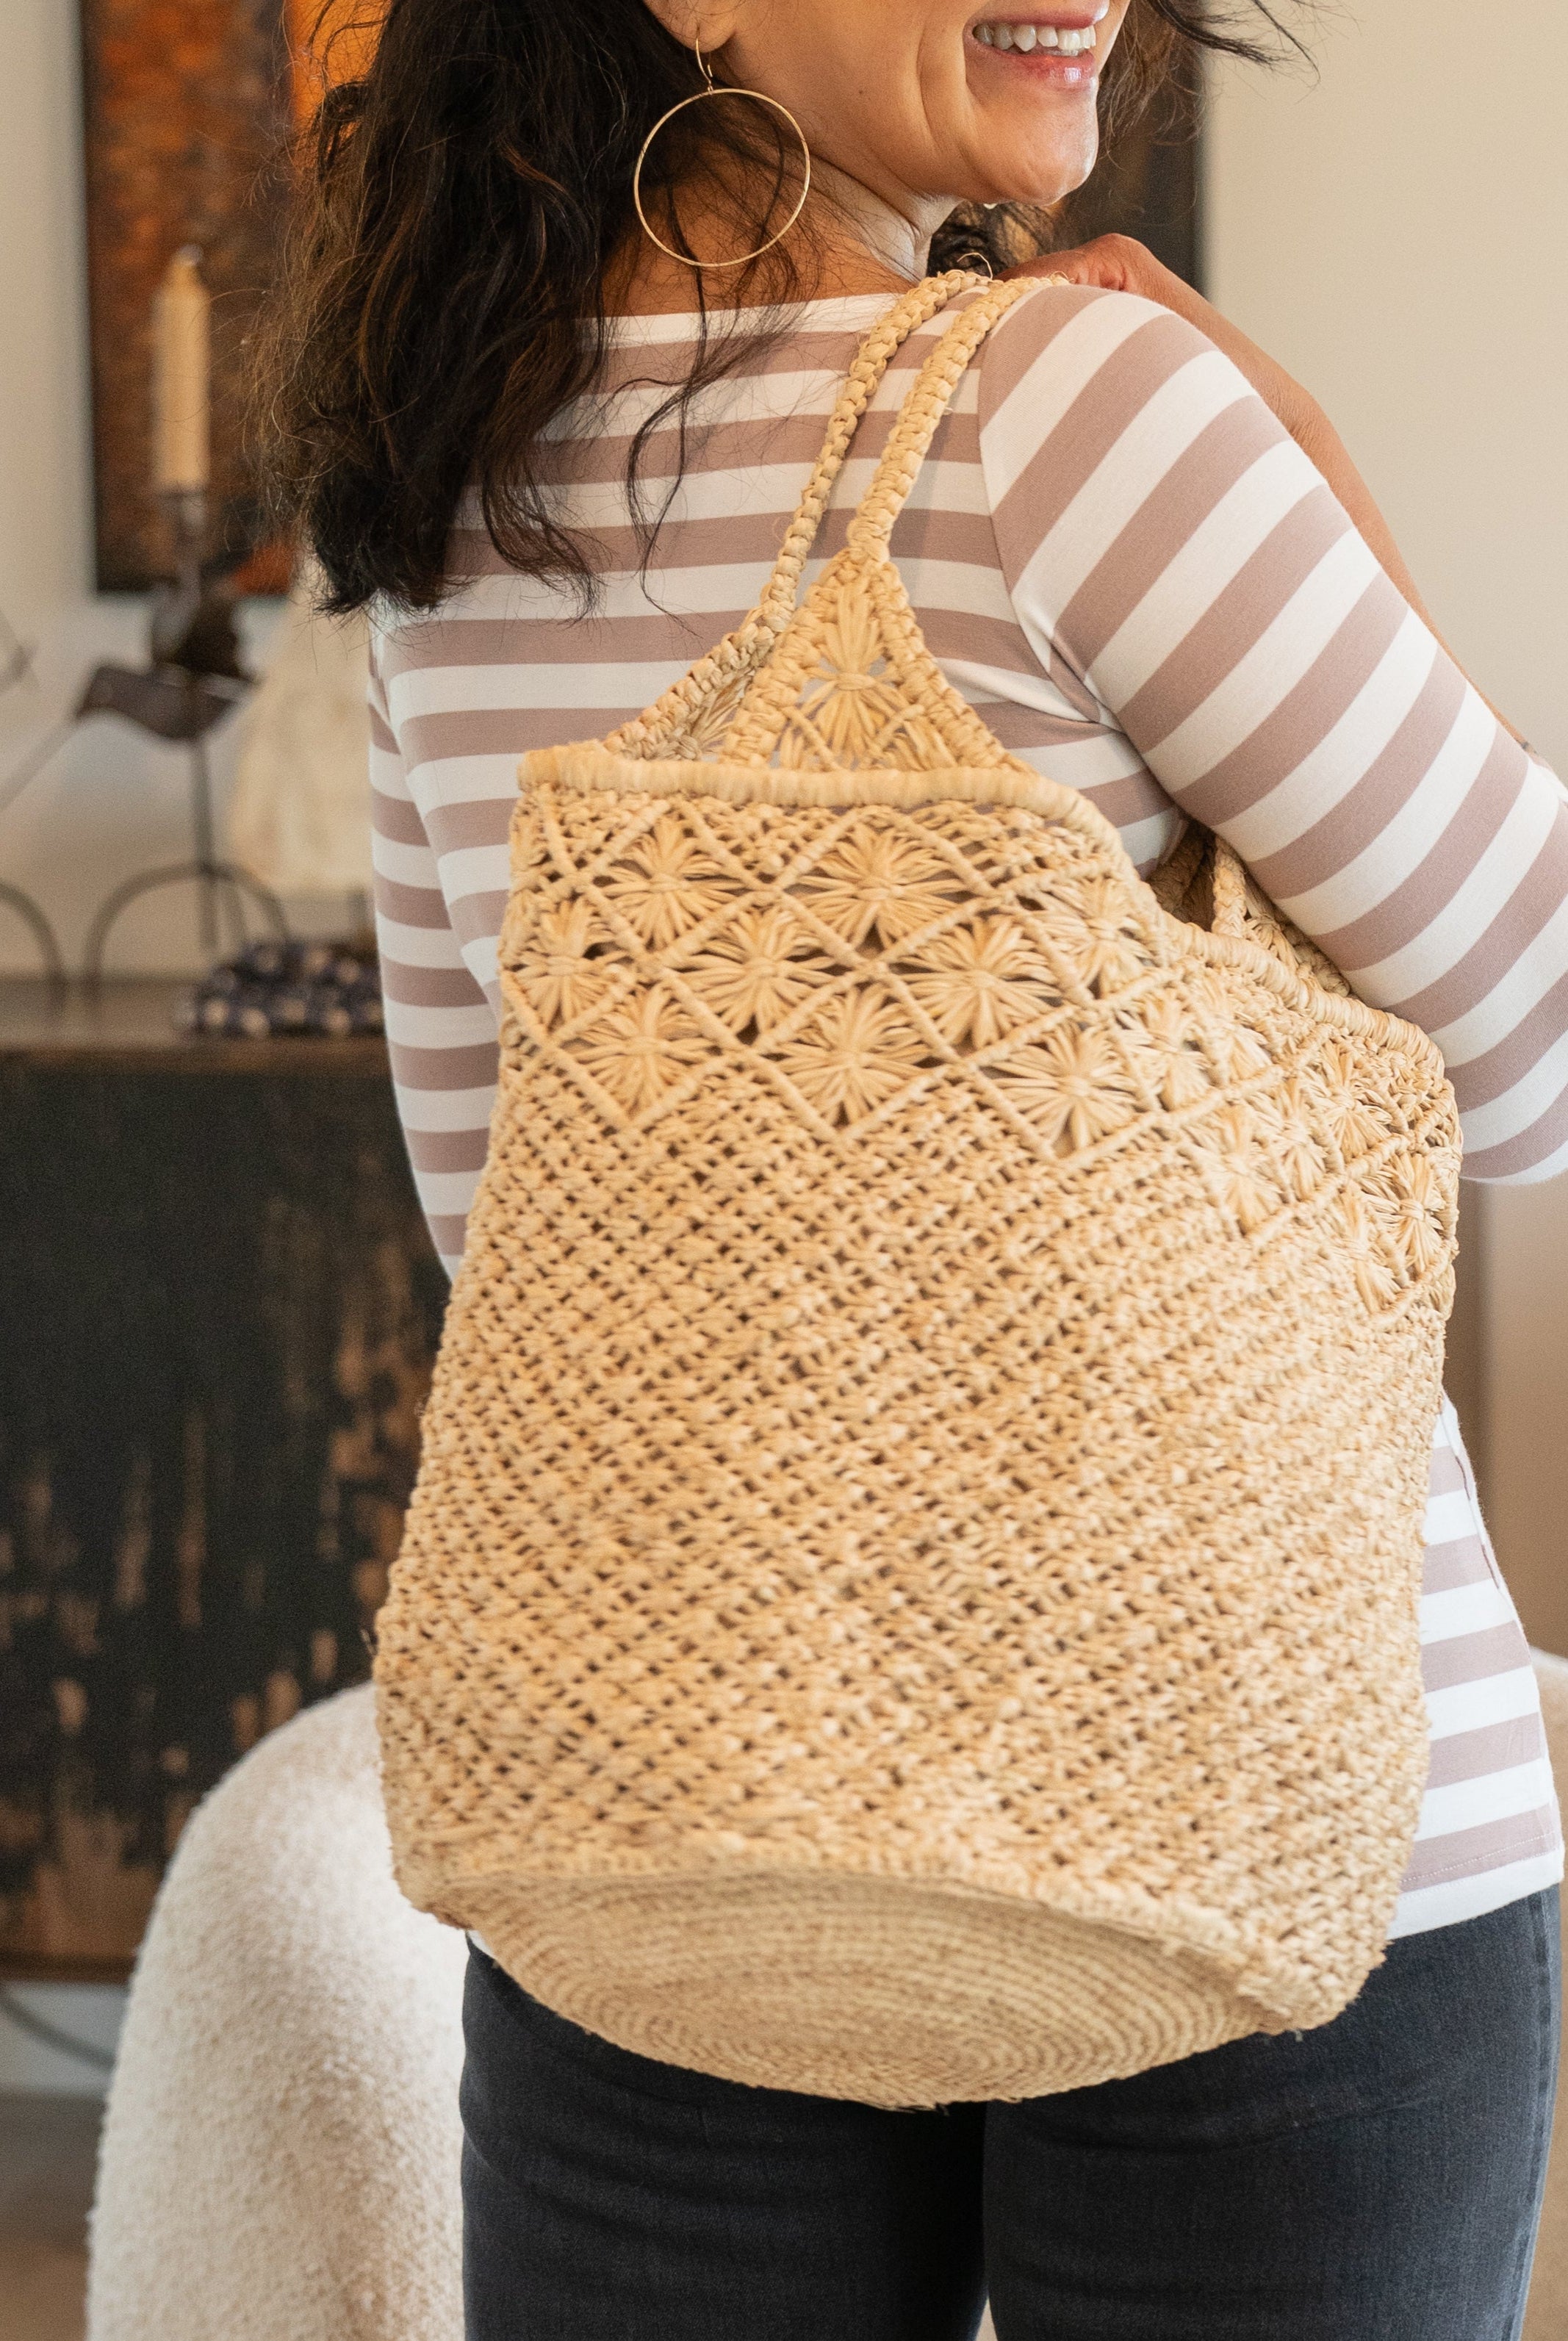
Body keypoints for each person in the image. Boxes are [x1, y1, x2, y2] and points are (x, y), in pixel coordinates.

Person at [267, 4, 1567, 2334]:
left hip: (673, 1837)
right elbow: (1541, 1040)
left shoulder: (451, 489)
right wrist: (1308, 461)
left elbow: (508, 1233)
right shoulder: (1084, 411)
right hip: (1262, 1844)